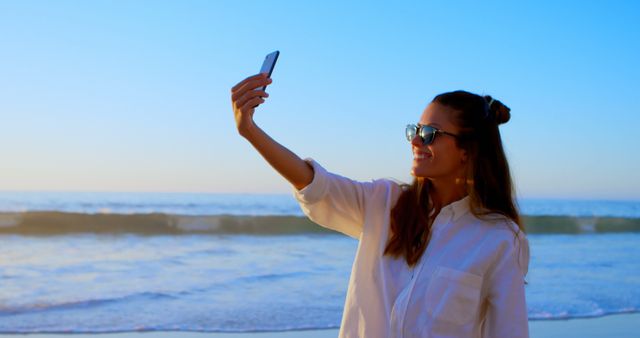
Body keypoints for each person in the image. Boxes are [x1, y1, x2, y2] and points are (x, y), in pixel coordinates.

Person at [231, 73, 530, 338]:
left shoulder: (499, 238)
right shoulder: (384, 203)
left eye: (429, 134)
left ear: (467, 150)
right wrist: (250, 131)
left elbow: (508, 331)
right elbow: (314, 183)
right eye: (414, 131)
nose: (415, 141)